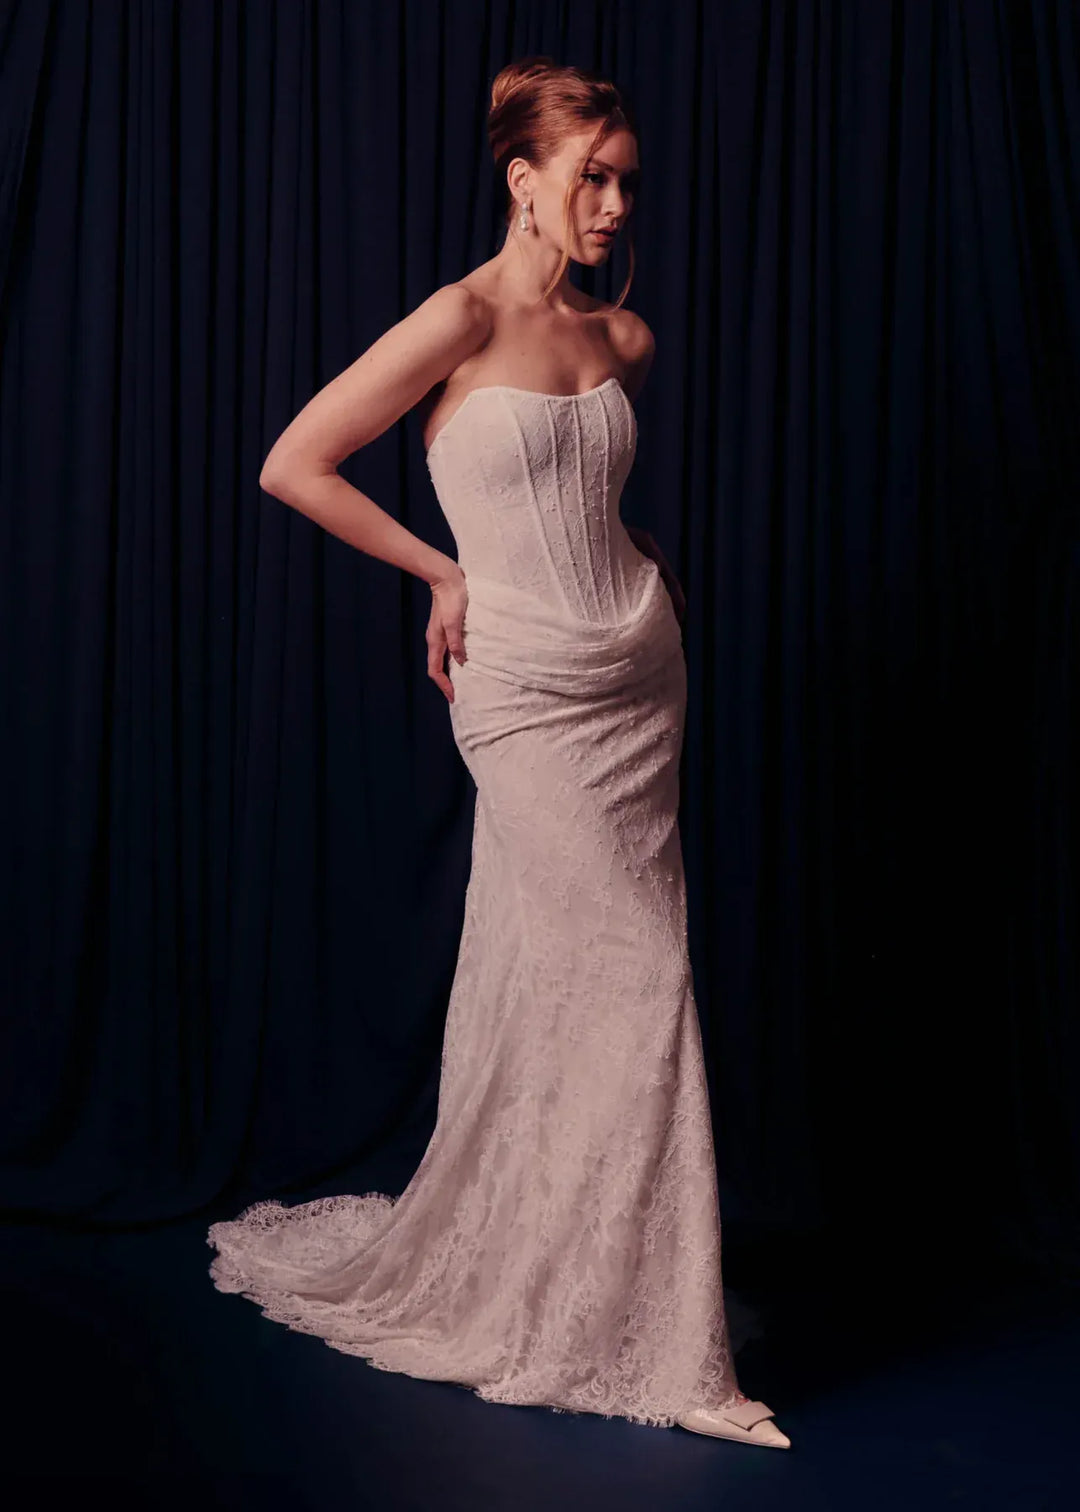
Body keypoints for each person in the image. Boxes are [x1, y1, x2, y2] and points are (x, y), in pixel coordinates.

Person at [207, 56, 791, 1451]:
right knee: (640, 968)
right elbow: (297, 462)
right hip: (522, 685)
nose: (610, 199)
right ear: (521, 179)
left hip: (640, 674)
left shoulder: (624, 339)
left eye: (625, 179)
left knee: (553, 972)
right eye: (588, 175)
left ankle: (580, 1288)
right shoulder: (453, 321)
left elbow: (591, 495)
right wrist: (439, 575)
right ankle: (679, 1359)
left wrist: (648, 570)